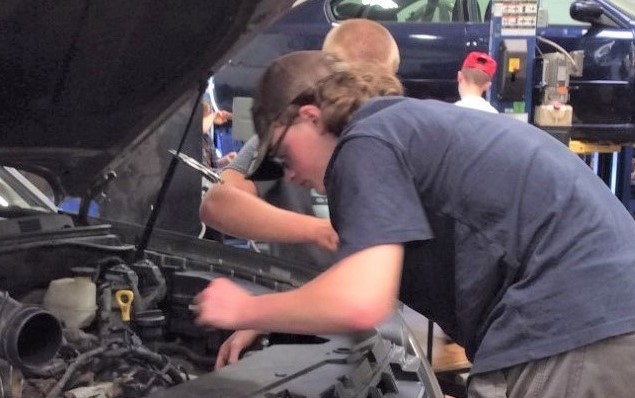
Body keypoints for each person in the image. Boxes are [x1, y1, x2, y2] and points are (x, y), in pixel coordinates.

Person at [196, 50, 635, 397]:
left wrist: (247, 308)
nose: (286, 173)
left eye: (281, 153)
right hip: (600, 318)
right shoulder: (402, 126)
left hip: (573, 332)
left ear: (309, 117)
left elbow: (360, 302)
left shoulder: (365, 144)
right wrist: (283, 316)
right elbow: (362, 277)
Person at [199, 19, 401, 368]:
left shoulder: (386, 141)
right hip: (303, 315)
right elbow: (219, 203)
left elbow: (364, 296)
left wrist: (257, 312)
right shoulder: (292, 137)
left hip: (371, 324)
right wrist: (316, 230)